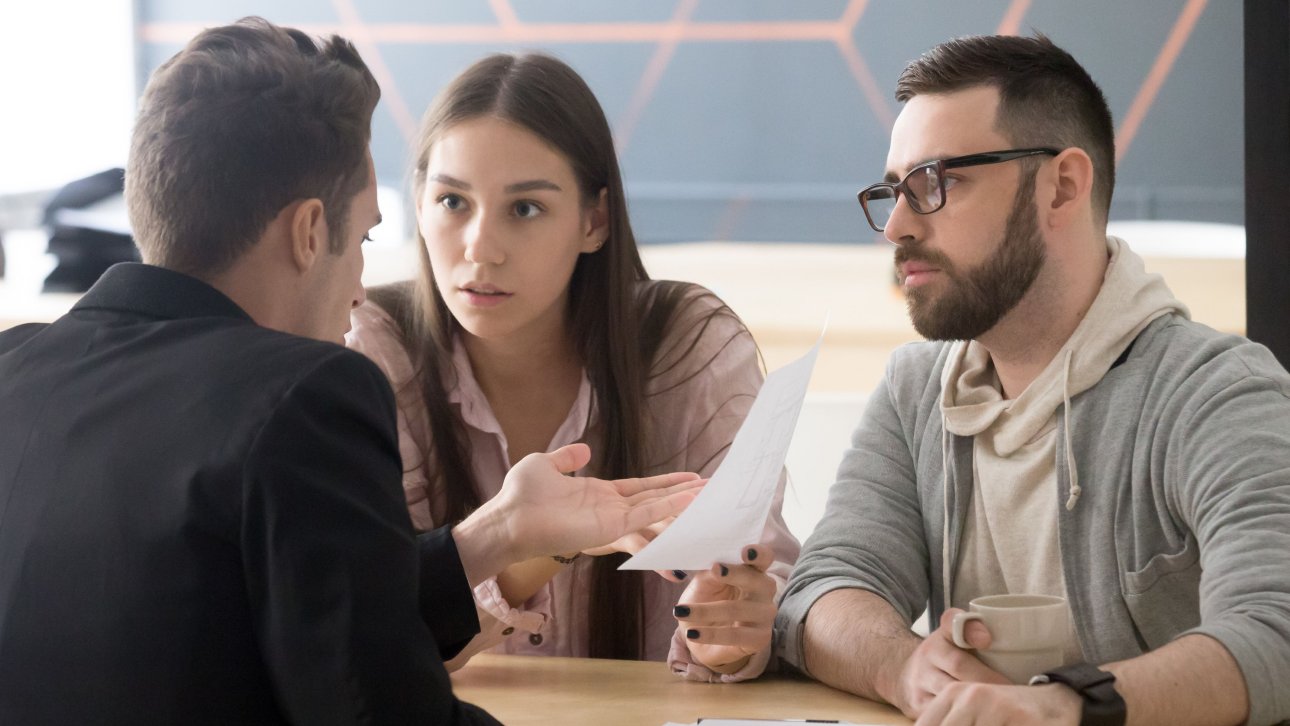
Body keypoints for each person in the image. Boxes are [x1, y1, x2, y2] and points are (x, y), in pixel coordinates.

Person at [0, 18, 702, 725]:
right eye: (363, 236)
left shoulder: (14, 370)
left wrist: (500, 533)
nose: (362, 287)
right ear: (309, 233)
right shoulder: (303, 396)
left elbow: (298, 614)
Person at [774, 33, 1290, 725]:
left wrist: (1064, 708)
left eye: (938, 182)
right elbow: (825, 588)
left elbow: (1275, 630)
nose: (895, 225)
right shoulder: (917, 389)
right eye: (894, 191)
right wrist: (904, 667)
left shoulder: (1215, 391)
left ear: (1063, 185)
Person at [346, 51, 799, 680]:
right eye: (452, 202)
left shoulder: (690, 345)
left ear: (594, 221)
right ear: (418, 205)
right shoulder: (371, 351)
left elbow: (761, 571)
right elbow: (367, 633)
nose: (481, 247)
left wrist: (734, 636)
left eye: (525, 208)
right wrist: (532, 545)